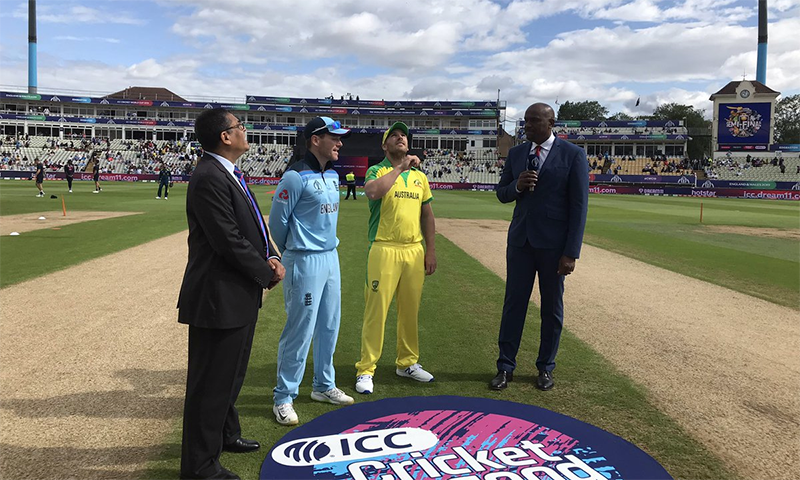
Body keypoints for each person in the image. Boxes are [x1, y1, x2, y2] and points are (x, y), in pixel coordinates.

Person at [177, 108, 285, 480]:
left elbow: (253, 224)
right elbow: (228, 239)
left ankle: (226, 434)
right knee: (211, 385)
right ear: (225, 136)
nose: (244, 130)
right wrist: (265, 272)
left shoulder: (228, 173)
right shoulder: (209, 176)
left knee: (231, 375)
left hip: (235, 294)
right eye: (240, 126)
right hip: (217, 297)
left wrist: (271, 254)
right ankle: (200, 467)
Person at [489, 103, 588, 392]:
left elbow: (579, 207)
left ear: (551, 122)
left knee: (551, 309)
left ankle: (545, 367)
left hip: (554, 247)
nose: (527, 125)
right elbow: (502, 193)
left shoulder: (573, 155)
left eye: (534, 120)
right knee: (513, 305)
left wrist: (571, 252)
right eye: (526, 121)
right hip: (520, 242)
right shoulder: (517, 153)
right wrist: (517, 186)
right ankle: (505, 367)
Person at [268, 117, 354, 426]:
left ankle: (323, 385)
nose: (339, 143)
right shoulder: (294, 177)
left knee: (329, 324)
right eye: (334, 137)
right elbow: (277, 224)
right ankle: (283, 396)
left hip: (330, 257)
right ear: (316, 140)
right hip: (304, 261)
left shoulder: (332, 175)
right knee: (300, 328)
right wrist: (291, 253)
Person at [355, 122, 437, 395]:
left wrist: (430, 250)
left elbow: (427, 215)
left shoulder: (420, 177)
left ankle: (407, 363)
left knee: (410, 311)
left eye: (404, 135)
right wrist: (400, 168)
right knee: (376, 311)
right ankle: (366, 369)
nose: (400, 138)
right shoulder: (377, 170)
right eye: (394, 136)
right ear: (385, 145)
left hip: (413, 250)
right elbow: (372, 192)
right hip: (384, 248)